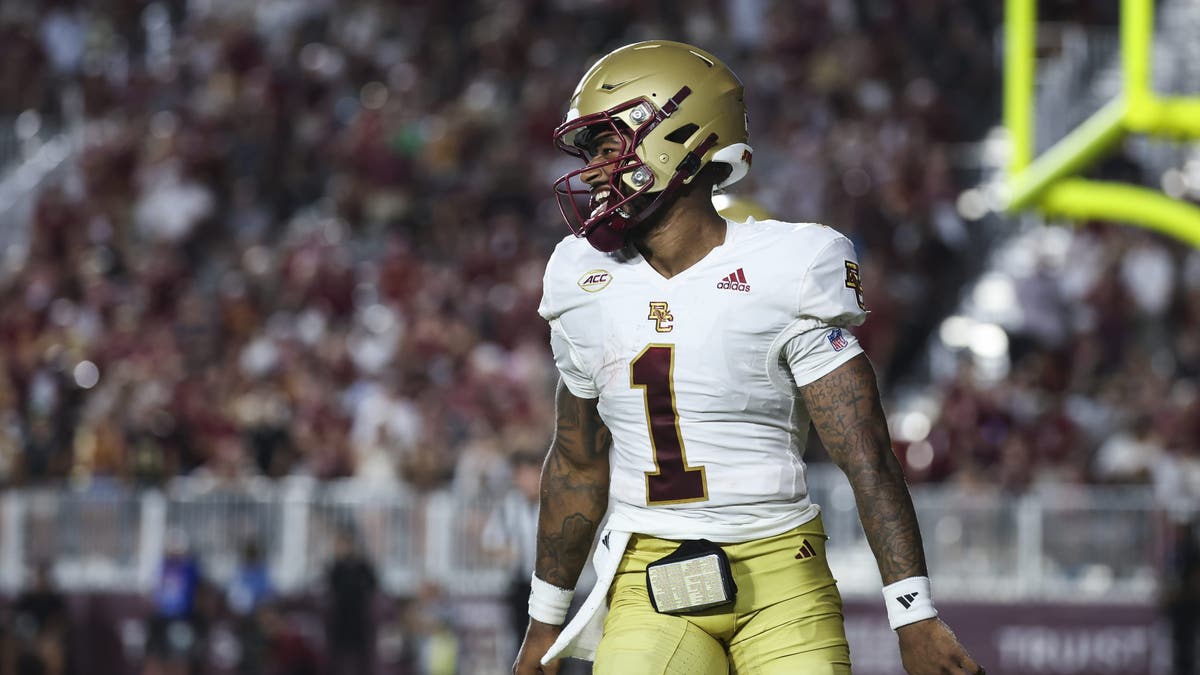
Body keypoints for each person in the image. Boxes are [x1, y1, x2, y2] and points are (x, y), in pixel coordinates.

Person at [514, 40, 984, 675]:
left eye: (606, 147)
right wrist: (545, 621)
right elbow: (576, 459)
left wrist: (913, 610)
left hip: (780, 571)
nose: (594, 170)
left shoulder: (791, 263)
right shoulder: (578, 274)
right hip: (645, 570)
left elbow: (864, 451)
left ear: (678, 134)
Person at [324, 529, 379, 675]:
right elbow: (331, 587)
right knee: (338, 655)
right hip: (340, 617)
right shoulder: (336, 567)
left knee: (361, 656)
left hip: (358, 617)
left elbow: (372, 585)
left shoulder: (362, 566)